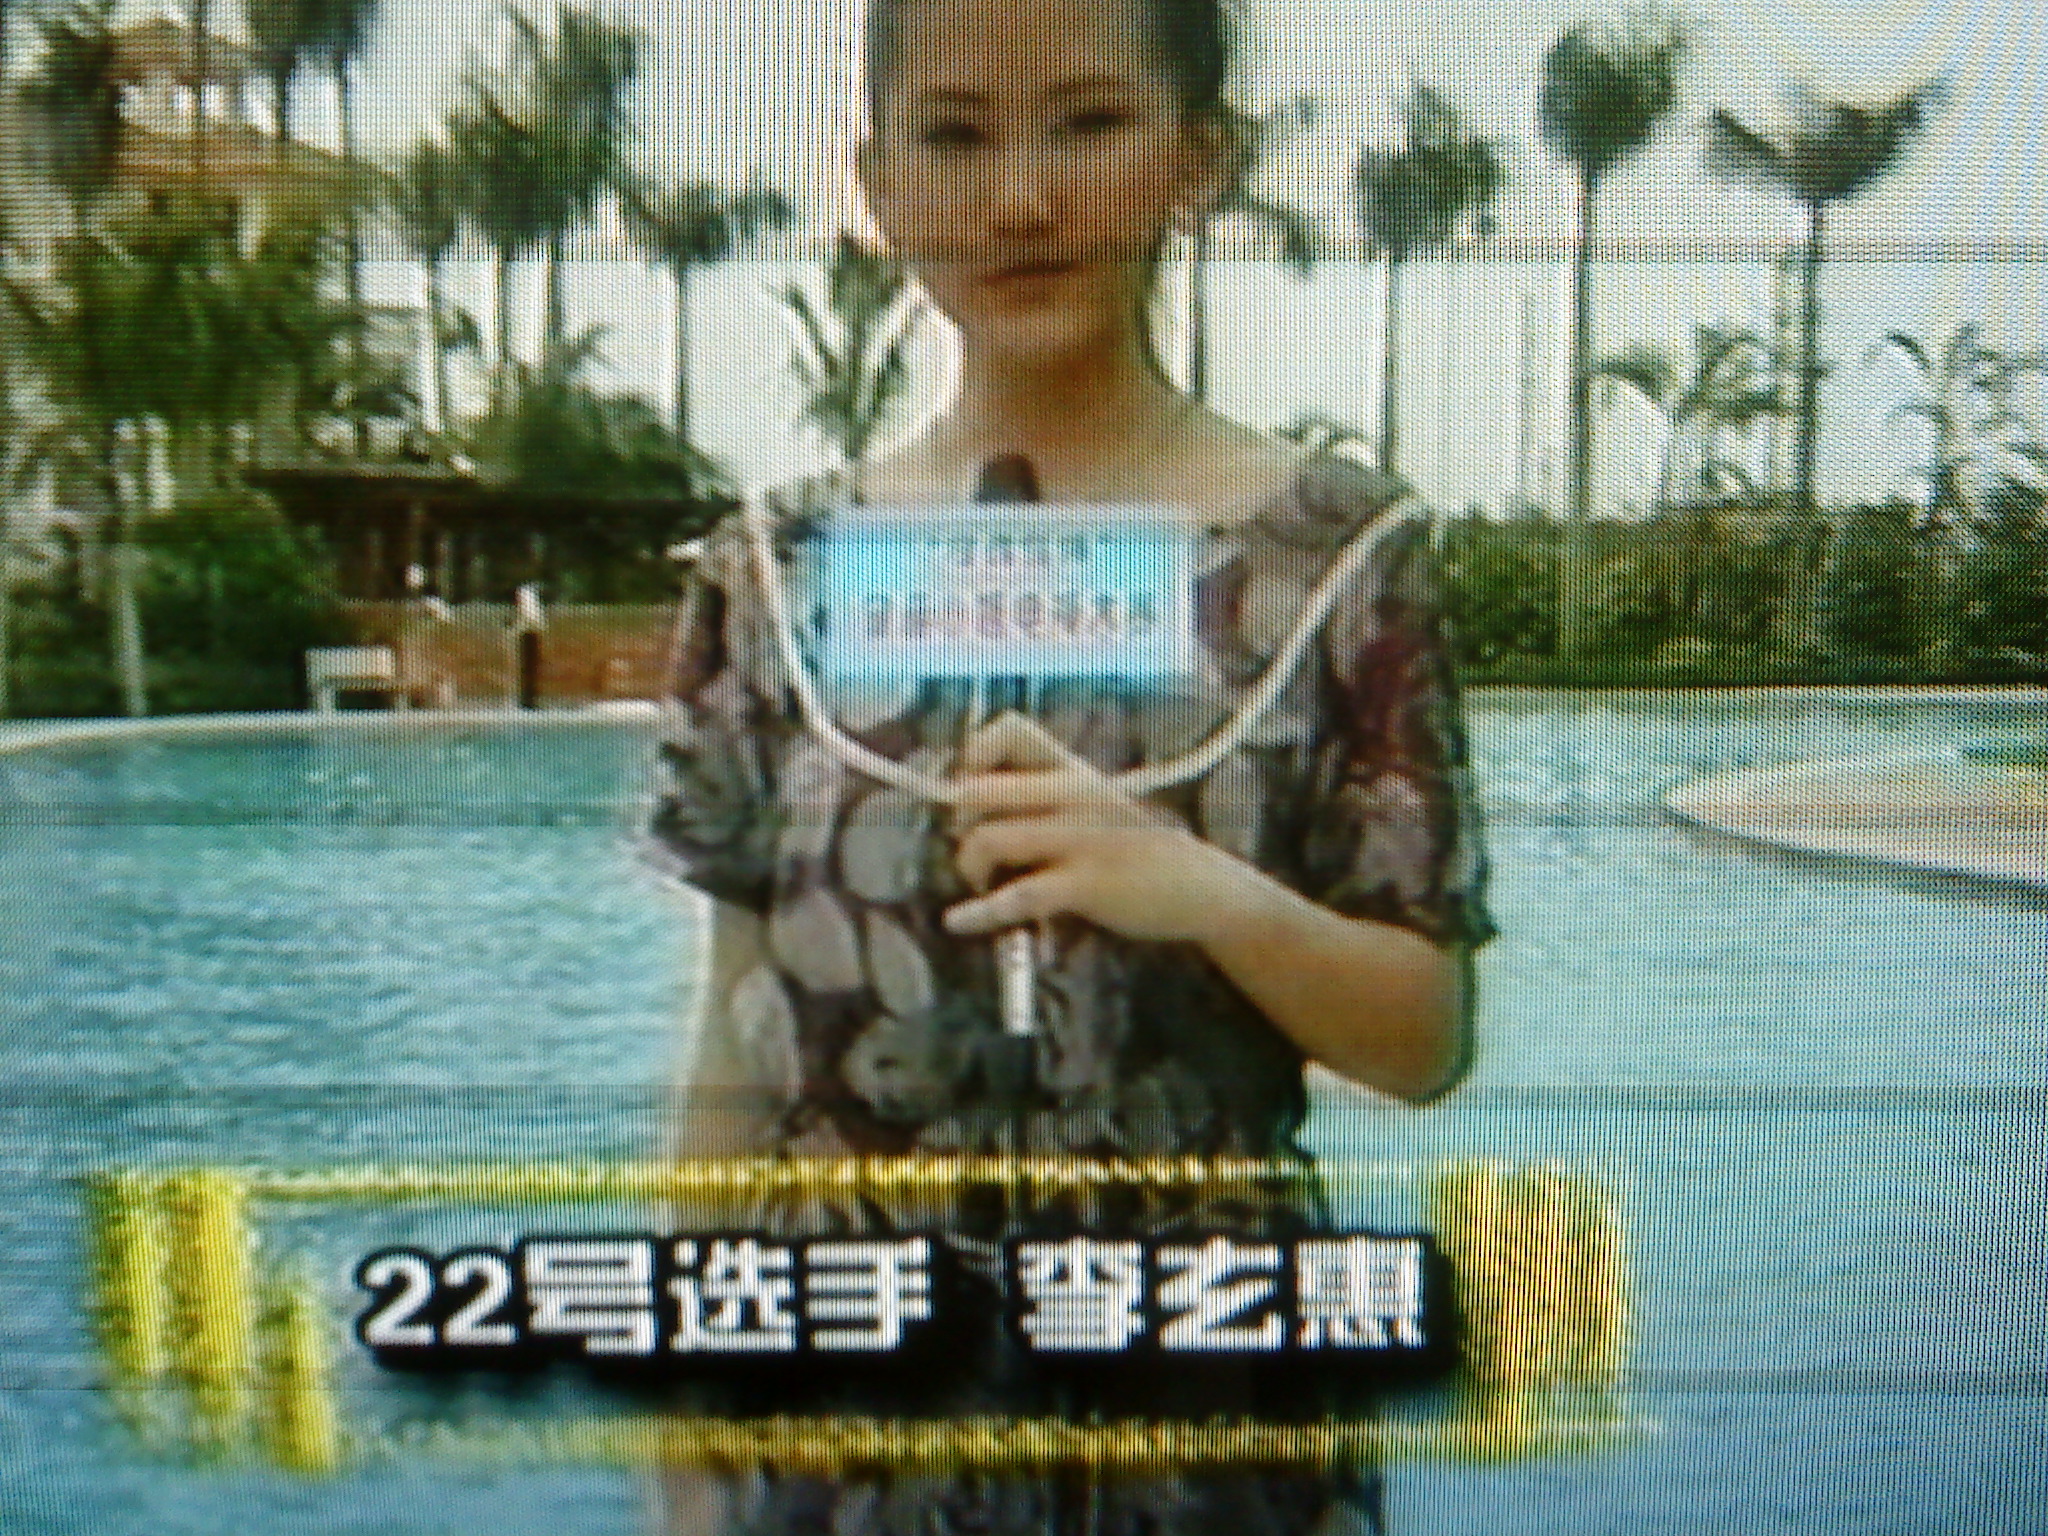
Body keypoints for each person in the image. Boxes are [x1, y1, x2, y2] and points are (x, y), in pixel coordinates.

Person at [644, 0, 1494, 1528]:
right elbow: (734, 1034)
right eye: (955, 136)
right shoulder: (775, 571)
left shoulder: (1340, 558)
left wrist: (1204, 894)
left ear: (1198, 158)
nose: (1021, 198)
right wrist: (686, 1428)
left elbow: (1422, 1040)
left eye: (1091, 124)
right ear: (882, 182)